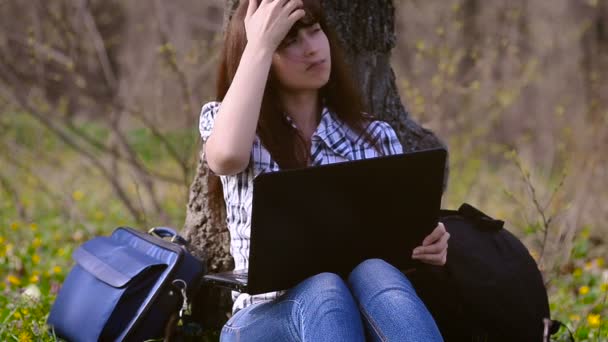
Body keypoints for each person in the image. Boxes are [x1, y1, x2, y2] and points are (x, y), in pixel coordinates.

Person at [198, 0, 450, 340]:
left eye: (315, 32)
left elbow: (396, 249)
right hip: (263, 320)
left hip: (361, 314)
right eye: (289, 42)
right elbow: (226, 156)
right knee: (325, 288)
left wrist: (428, 246)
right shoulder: (232, 125)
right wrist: (259, 43)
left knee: (377, 273)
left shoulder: (375, 136)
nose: (311, 49)